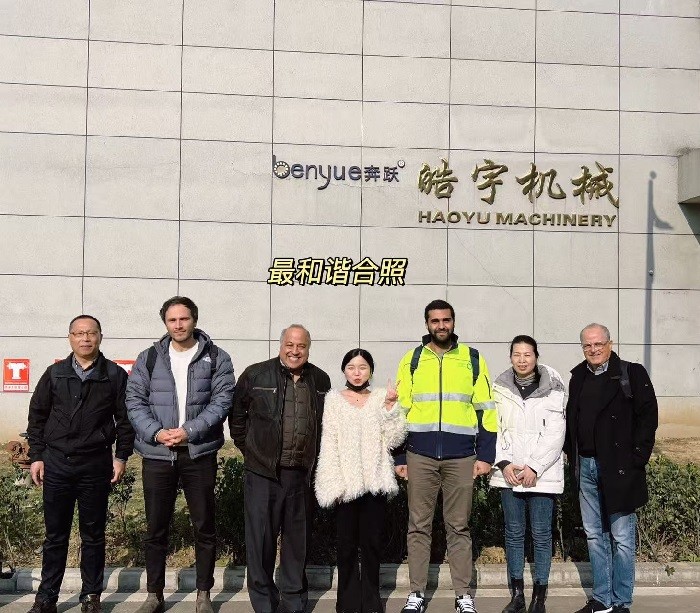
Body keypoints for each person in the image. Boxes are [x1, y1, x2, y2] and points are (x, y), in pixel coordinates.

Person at [126, 296, 234, 613]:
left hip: (198, 453)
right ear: (165, 323)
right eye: (172, 320)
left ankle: (203, 593)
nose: (178, 325)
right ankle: (154, 594)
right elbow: (134, 400)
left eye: (184, 319)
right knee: (156, 528)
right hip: (158, 454)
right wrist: (156, 432)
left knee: (204, 526)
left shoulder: (217, 357)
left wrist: (189, 430)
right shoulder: (148, 358)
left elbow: (222, 401)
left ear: (194, 320)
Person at [26, 315, 135, 613]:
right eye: (79, 333)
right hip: (57, 464)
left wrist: (121, 456)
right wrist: (37, 456)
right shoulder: (55, 373)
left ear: (100, 337)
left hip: (95, 465)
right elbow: (37, 416)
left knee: (93, 535)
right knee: (55, 536)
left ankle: (91, 596)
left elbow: (125, 420)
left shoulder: (114, 375)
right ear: (70, 338)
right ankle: (46, 598)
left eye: (91, 333)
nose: (85, 338)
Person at [394, 300, 497, 613]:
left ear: (453, 322)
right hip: (419, 455)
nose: (441, 325)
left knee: (459, 527)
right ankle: (416, 593)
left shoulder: (472, 359)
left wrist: (486, 455)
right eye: (435, 321)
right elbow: (400, 411)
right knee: (418, 526)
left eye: (446, 320)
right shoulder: (412, 359)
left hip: (461, 457)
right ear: (427, 324)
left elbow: (486, 410)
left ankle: (463, 595)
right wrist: (399, 456)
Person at [229, 324, 331, 613]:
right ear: (281, 344)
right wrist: (252, 451)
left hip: (301, 475)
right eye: (290, 344)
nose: (295, 351)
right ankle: (264, 603)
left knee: (297, 542)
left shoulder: (320, 379)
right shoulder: (256, 374)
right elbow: (237, 417)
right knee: (260, 541)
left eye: (301, 346)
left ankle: (294, 601)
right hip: (263, 473)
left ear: (308, 348)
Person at [565, 324, 658, 613]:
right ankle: (602, 599)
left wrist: (637, 458)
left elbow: (648, 417)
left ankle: (621, 602)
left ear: (610, 343)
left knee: (622, 538)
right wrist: (571, 454)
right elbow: (571, 419)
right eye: (587, 345)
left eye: (598, 344)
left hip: (619, 468)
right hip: (586, 466)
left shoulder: (631, 373)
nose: (593, 349)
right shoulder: (578, 376)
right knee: (594, 535)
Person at [315, 348, 407, 613]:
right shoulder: (333, 399)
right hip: (345, 485)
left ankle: (371, 602)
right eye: (352, 367)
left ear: (371, 371)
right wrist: (333, 483)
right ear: (344, 370)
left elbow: (394, 439)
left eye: (363, 367)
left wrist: (390, 407)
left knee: (372, 546)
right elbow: (329, 443)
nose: (357, 373)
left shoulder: (380, 397)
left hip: (374, 483)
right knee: (345, 548)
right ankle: (347, 603)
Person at [490, 335, 566, 613]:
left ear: (536, 356)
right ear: (510, 357)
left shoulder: (554, 388)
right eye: (517, 355)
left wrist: (534, 466)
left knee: (542, 534)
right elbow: (493, 428)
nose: (522, 360)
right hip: (509, 473)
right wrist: (504, 463)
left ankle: (539, 598)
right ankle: (518, 596)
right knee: (513, 533)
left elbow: (556, 432)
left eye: (527, 355)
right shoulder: (498, 388)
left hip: (542, 475)